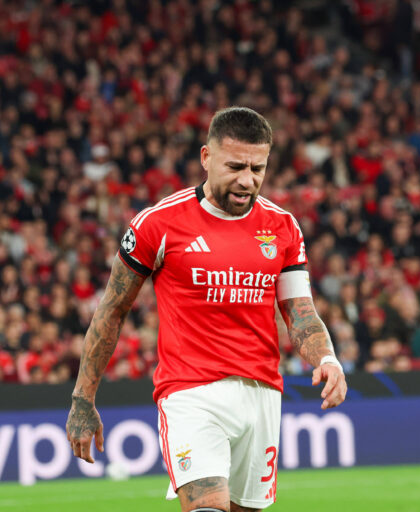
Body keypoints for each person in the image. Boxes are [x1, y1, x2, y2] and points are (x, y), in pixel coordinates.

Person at [66, 107, 348, 512]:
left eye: (257, 168)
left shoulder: (283, 227)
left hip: (262, 393)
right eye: (235, 166)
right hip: (190, 392)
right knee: (207, 508)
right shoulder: (158, 224)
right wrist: (82, 399)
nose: (247, 180)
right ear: (206, 158)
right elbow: (111, 310)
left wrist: (327, 358)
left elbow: (299, 310)